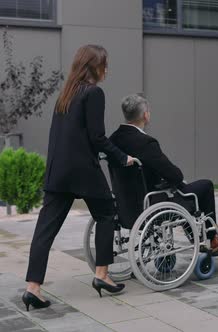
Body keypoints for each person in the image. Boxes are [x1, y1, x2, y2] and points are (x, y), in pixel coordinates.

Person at [23, 45, 133, 311]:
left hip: (58, 171)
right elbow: (97, 137)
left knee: (44, 231)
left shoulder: (66, 94)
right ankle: (102, 275)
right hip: (83, 170)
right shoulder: (94, 93)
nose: (107, 69)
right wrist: (122, 157)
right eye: (104, 64)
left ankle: (32, 288)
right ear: (94, 67)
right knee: (107, 213)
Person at [109, 93, 218, 253]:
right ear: (145, 115)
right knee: (204, 186)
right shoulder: (145, 142)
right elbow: (175, 175)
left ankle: (199, 237)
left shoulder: (113, 139)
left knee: (179, 191)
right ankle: (212, 238)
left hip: (126, 206)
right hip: (151, 204)